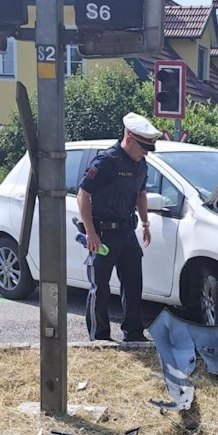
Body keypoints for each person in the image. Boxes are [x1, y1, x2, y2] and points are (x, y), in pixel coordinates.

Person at [76, 112, 161, 342]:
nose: (145, 152)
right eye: (143, 146)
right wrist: (91, 232)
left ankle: (134, 333)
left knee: (134, 284)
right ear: (130, 137)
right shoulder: (107, 161)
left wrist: (145, 223)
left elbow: (140, 194)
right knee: (100, 288)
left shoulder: (141, 163)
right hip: (103, 234)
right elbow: (83, 195)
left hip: (126, 231)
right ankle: (100, 337)